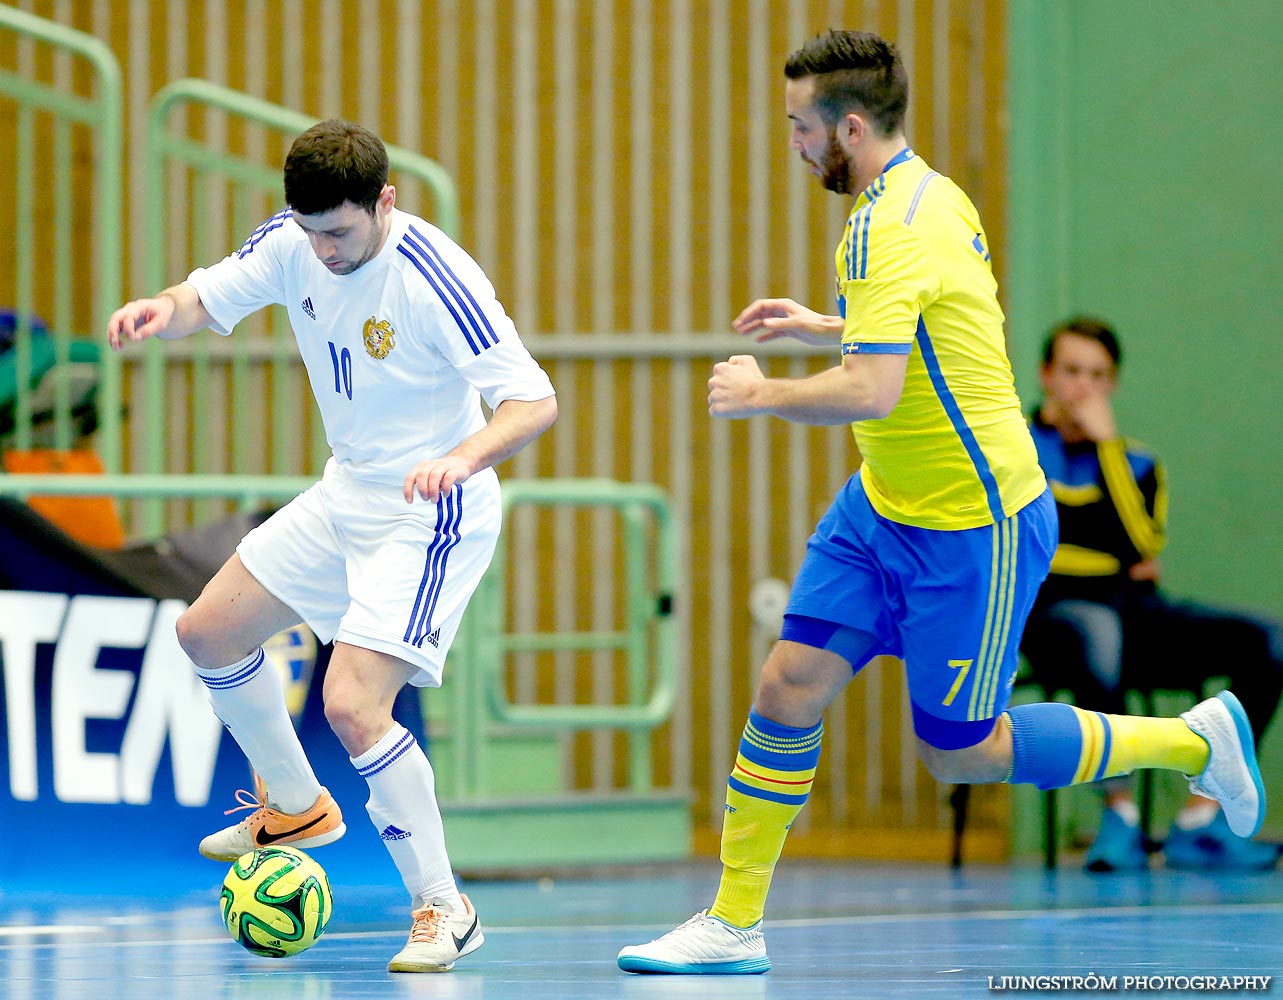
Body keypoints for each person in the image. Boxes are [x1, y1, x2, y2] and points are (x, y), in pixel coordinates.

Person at [617, 30, 1264, 976]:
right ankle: (732, 921)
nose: (794, 144)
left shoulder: (892, 224)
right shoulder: (922, 192)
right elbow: (934, 321)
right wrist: (830, 323)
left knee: (960, 752)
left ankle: (1187, 741)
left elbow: (869, 391)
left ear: (846, 125)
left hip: (974, 524)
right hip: (880, 507)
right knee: (786, 686)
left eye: (801, 127)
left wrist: (761, 392)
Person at [107, 119, 557, 973]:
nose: (322, 251)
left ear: (384, 202)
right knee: (206, 632)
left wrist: (458, 458)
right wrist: (159, 311)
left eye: (339, 232)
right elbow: (205, 297)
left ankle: (442, 907)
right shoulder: (295, 242)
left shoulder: (436, 276)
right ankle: (295, 804)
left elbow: (532, 402)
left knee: (353, 704)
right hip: (346, 491)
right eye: (309, 230)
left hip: (432, 511)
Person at [1022, 316, 1282, 872]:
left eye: (1097, 375)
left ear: (1111, 384)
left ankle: (1198, 821)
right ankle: (1119, 814)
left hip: (1135, 612)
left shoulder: (1136, 461)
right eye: (1071, 371)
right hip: (1050, 617)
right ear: (1046, 374)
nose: (1083, 387)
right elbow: (1027, 542)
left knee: (1268, 641)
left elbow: (1142, 541)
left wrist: (1107, 447)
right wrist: (1112, 557)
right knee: (1097, 631)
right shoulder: (1014, 448)